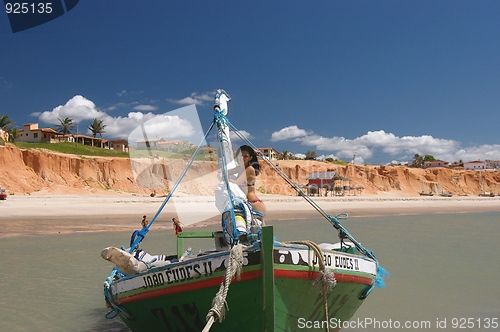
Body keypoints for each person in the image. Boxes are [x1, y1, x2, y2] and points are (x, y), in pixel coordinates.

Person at [231, 145, 267, 224]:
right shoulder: (240, 168)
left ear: (250, 158)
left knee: (261, 231)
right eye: (240, 156)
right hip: (248, 203)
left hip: (254, 203)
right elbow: (227, 172)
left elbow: (236, 182)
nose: (242, 158)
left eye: (245, 156)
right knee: (257, 231)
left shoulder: (249, 169)